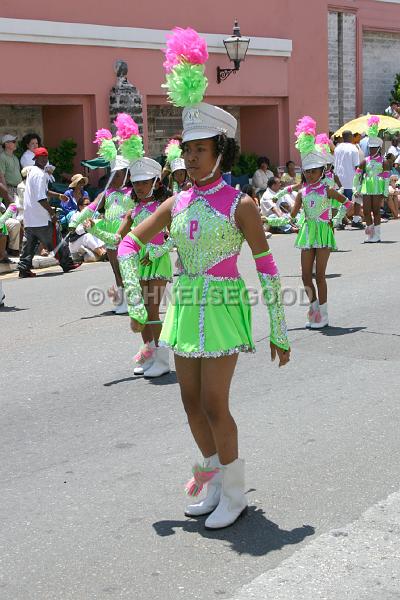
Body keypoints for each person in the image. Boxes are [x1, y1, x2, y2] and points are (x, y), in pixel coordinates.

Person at [117, 27, 290, 530]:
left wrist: (278, 328)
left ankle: (235, 493)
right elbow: (129, 245)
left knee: (216, 403)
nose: (189, 156)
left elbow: (267, 268)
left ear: (221, 151)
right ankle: (213, 480)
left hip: (222, 310)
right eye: (185, 148)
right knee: (190, 402)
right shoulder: (176, 202)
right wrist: (134, 300)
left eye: (199, 148)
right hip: (184, 306)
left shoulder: (243, 205)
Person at [71, 114, 142, 314]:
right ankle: (122, 301)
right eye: (113, 175)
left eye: (119, 174)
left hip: (128, 234)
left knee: (130, 267)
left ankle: (135, 299)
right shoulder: (106, 193)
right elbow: (92, 207)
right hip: (110, 234)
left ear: (127, 174)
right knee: (115, 269)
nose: (115, 178)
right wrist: (77, 219)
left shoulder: (134, 191)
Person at [291, 116, 351, 329]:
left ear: (322, 171)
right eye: (307, 171)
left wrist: (334, 220)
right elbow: (292, 215)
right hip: (308, 233)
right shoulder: (302, 192)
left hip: (324, 232)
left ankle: (324, 314)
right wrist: (293, 221)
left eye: (314, 171)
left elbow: (348, 203)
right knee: (305, 274)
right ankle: (314, 309)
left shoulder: (327, 189)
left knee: (320, 275)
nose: (310, 174)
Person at [117, 157, 173, 377]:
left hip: (158, 262)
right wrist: (92, 229)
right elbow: (117, 239)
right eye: (136, 183)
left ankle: (162, 359)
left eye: (144, 182)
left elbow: (174, 237)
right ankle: (149, 354)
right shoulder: (132, 212)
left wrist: (155, 252)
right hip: (138, 264)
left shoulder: (163, 208)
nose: (139, 187)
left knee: (151, 310)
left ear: (155, 182)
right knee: (139, 312)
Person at [17, 147, 80, 278]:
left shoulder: (32, 171)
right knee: (56, 240)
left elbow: (42, 191)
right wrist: (52, 214)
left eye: (46, 157)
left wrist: (58, 195)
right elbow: (41, 198)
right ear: (36, 159)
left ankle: (24, 269)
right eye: (42, 157)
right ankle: (67, 263)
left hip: (29, 218)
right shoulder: (40, 175)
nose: (45, 159)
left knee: (29, 245)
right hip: (40, 217)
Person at [353, 116, 391, 243]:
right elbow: (357, 175)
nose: (372, 149)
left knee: (376, 211)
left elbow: (386, 179)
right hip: (367, 186)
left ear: (379, 148)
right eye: (371, 148)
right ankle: (370, 234)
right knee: (367, 211)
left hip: (377, 187)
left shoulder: (384, 161)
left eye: (375, 148)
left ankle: (377, 235)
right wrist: (356, 188)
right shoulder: (365, 160)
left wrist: (385, 192)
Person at [333, 130, 363, 229]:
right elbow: (356, 166)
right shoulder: (353, 148)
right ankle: (356, 219)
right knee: (358, 198)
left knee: (341, 201)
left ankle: (340, 220)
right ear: (350, 137)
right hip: (351, 180)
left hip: (339, 180)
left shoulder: (337, 148)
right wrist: (360, 178)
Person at [68, 196, 107, 260]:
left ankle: (104, 251)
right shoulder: (75, 216)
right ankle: (101, 253)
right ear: (80, 207)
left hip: (87, 241)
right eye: (86, 204)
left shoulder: (92, 215)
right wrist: (85, 227)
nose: (89, 206)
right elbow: (77, 231)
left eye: (90, 204)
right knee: (88, 236)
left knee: (98, 233)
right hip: (75, 242)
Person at [0, 134, 22, 199]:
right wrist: (6, 192)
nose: (15, 143)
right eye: (13, 142)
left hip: (19, 189)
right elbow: (1, 176)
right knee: (12, 209)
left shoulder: (15, 157)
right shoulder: (2, 157)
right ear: (6, 144)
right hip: (10, 189)